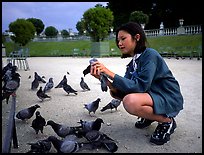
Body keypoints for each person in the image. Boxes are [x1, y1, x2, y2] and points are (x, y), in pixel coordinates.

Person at [90, 22, 184, 145]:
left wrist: (108, 71)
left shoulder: (150, 55)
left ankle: (167, 121)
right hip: (154, 95)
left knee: (130, 101)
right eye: (118, 40)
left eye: (123, 39)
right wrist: (105, 80)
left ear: (137, 37)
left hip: (168, 96)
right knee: (118, 95)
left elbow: (141, 86)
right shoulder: (132, 64)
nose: (119, 43)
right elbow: (123, 91)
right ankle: (150, 117)